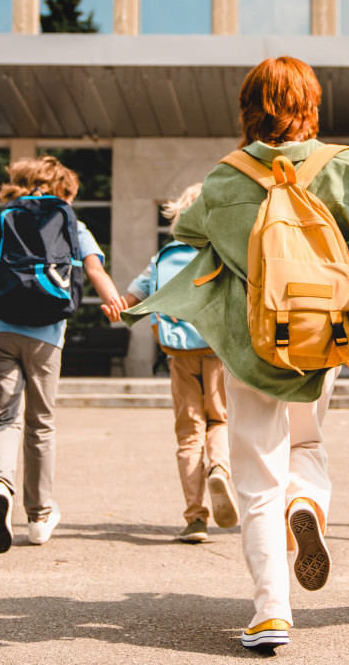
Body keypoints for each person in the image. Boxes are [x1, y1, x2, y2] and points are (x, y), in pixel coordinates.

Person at [123, 56, 349, 652]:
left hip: (253, 344)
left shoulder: (226, 179)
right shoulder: (343, 167)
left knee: (256, 475)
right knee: (307, 443)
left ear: (248, 108)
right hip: (324, 338)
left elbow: (187, 236)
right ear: (311, 104)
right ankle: (305, 502)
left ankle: (271, 609)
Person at [0, 157, 126, 553]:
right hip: (45, 335)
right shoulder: (73, 223)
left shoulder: (4, 220)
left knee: (4, 419)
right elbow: (94, 270)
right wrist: (115, 303)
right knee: (40, 423)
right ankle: (39, 517)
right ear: (64, 192)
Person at [106, 183, 238, 545]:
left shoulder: (164, 257)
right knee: (220, 420)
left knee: (189, 433)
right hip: (217, 350)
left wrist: (115, 308)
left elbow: (130, 300)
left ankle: (195, 518)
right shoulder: (222, 252)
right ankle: (220, 469)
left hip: (178, 354)